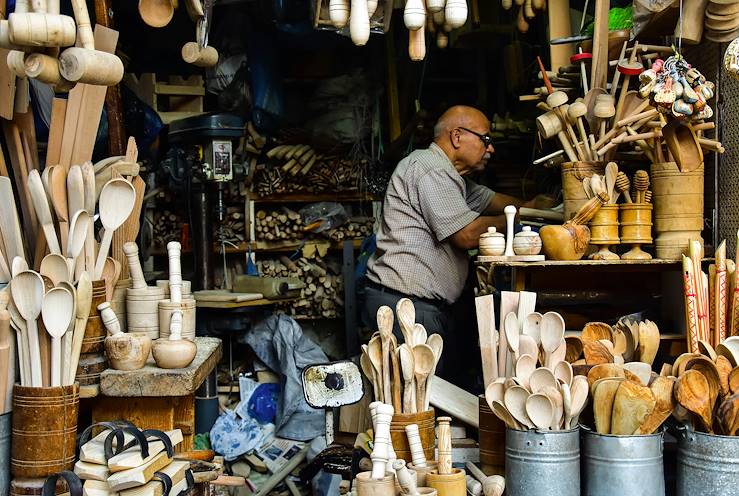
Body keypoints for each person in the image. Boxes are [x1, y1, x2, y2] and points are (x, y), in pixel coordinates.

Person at [362, 105, 539, 356]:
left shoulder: (453, 179)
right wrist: (518, 218)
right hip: (406, 306)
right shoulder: (429, 169)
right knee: (413, 392)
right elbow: (466, 235)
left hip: (420, 306)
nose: (491, 149)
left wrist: (541, 207)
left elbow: (499, 202)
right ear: (457, 136)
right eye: (485, 139)